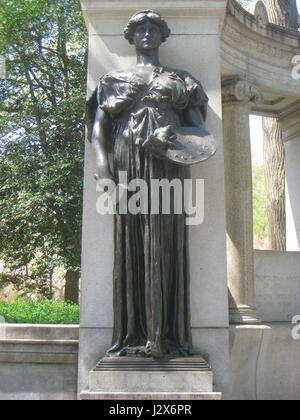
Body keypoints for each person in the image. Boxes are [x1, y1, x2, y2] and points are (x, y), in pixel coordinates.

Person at [88, 10, 209, 359]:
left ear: (162, 35)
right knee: (132, 241)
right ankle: (133, 334)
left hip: (168, 162)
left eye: (152, 28)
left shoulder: (181, 80)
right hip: (127, 163)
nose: (145, 33)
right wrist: (103, 167)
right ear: (129, 36)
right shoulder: (114, 80)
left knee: (165, 242)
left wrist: (173, 135)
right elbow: (100, 128)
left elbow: (199, 133)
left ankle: (165, 335)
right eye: (139, 28)